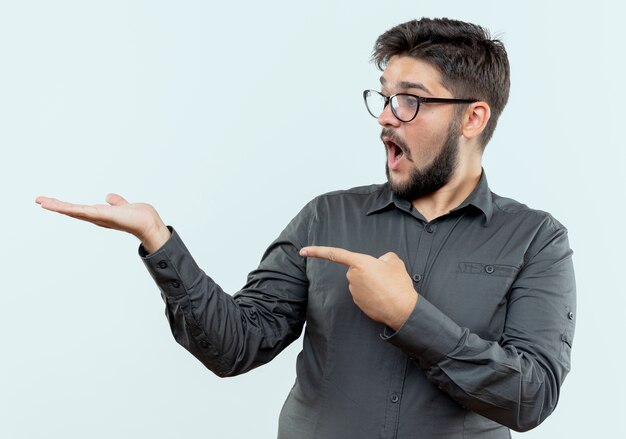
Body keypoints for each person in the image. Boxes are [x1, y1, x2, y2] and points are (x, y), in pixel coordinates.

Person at [36, 17, 576, 439]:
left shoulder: (536, 240)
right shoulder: (327, 217)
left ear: (473, 118)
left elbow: (530, 398)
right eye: (385, 96)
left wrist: (409, 316)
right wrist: (158, 240)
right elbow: (236, 346)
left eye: (410, 100)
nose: (387, 115)